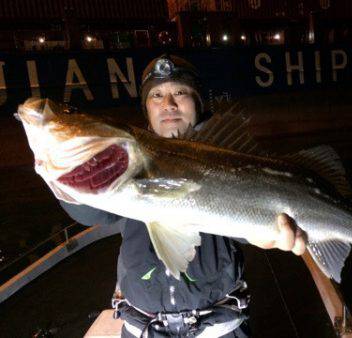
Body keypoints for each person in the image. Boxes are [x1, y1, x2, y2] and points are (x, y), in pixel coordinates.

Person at [60, 54, 305, 338]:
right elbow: (91, 212)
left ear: (198, 102)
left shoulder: (230, 158)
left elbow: (246, 223)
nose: (169, 104)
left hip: (218, 329)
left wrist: (263, 233)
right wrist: (69, 173)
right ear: (146, 109)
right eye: (157, 95)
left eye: (180, 92)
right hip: (142, 329)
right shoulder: (127, 160)